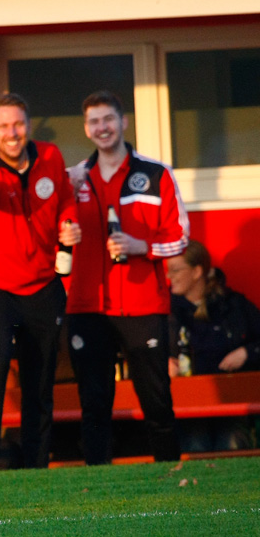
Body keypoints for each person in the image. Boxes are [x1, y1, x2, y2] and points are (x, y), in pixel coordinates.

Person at [66, 91, 188, 465]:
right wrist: (62, 234)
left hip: (143, 305)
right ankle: (97, 487)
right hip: (87, 306)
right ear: (87, 129)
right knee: (94, 406)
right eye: (94, 122)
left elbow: (180, 237)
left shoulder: (155, 174)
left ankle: (171, 479)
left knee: (156, 402)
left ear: (124, 122)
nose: (102, 128)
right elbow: (47, 231)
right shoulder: (74, 178)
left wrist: (141, 245)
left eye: (108, 119)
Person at [0, 94, 81, 473]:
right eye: (3, 126)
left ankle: (36, 465)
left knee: (41, 376)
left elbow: (65, 197)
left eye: (17, 124)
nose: (11, 133)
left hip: (42, 284)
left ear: (27, 125)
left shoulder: (50, 155)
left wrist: (69, 223)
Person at [167, 240, 260, 451]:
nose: (168, 276)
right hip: (187, 406)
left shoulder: (233, 305)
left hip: (231, 403)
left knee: (231, 442)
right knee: (195, 444)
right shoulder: (167, 312)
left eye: (175, 270)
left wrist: (246, 353)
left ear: (197, 271)